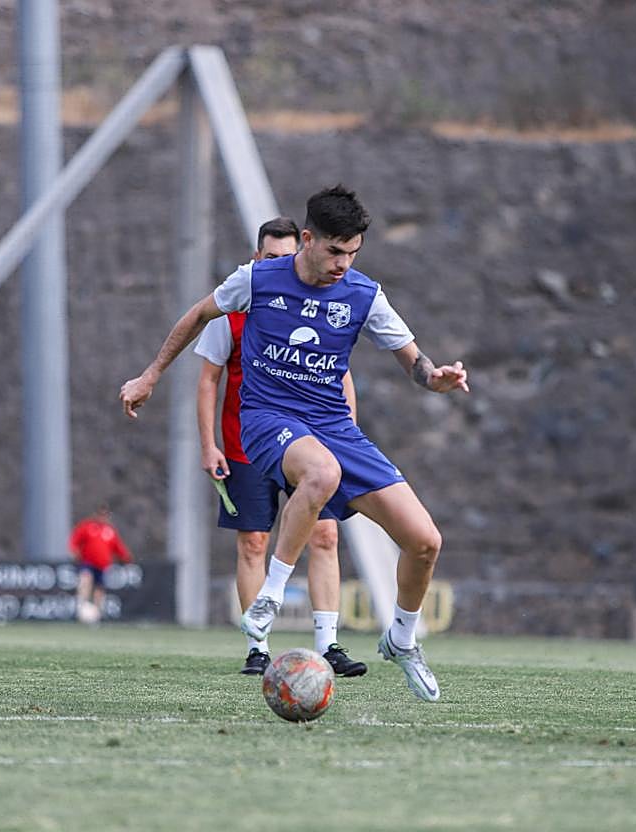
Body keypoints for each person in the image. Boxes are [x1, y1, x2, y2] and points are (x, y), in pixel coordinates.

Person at [121, 184, 468, 702]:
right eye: (334, 251)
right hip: (267, 419)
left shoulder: (364, 295)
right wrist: (149, 375)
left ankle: (400, 639)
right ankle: (272, 594)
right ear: (308, 239)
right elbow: (197, 317)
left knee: (425, 541)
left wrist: (434, 377)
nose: (342, 264)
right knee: (320, 475)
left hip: (334, 425)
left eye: (352, 253)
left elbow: (413, 360)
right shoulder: (257, 280)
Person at [193, 216, 366, 677]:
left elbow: (340, 372)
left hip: (311, 443)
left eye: (285, 257)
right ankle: (258, 646)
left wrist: (346, 432)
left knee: (326, 534)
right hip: (247, 445)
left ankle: (328, 643)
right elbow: (208, 380)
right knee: (254, 542)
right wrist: (209, 445)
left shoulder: (319, 306)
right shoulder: (232, 308)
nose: (279, 264)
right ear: (256, 259)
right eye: (270, 257)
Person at [69, 506, 134, 624]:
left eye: (105, 515)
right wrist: (74, 551)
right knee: (85, 580)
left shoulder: (110, 531)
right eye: (101, 515)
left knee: (99, 590)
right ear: (96, 515)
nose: (102, 518)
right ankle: (81, 606)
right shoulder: (87, 527)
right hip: (87, 562)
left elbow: (118, 547)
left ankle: (96, 616)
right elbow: (75, 540)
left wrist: (126, 557)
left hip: (102, 565)